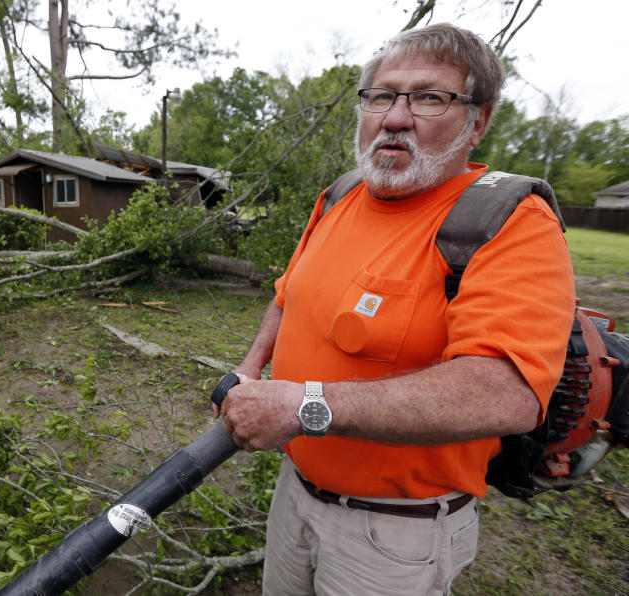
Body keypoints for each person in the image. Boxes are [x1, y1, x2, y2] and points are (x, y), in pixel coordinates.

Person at [215, 23, 575, 595]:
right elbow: (289, 296)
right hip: (295, 493)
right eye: (382, 96)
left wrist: (305, 406)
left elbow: (506, 392)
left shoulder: (511, 222)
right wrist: (252, 368)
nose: (395, 117)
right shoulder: (340, 195)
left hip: (392, 537)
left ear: (477, 122)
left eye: (430, 97)